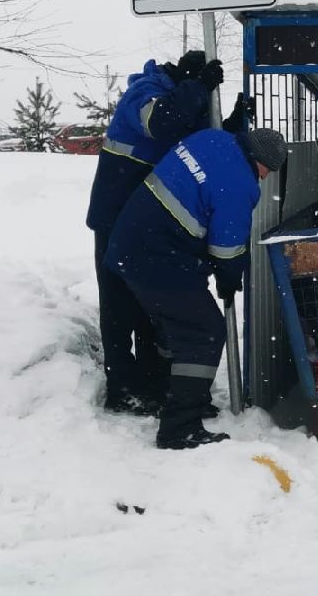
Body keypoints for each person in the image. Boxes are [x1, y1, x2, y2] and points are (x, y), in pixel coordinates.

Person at [104, 125, 288, 449]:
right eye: (267, 171)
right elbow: (227, 249)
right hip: (155, 255)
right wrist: (231, 280)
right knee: (204, 330)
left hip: (131, 241)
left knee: (174, 324)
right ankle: (180, 425)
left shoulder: (213, 139)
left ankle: (171, 392)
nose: (264, 178)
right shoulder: (239, 184)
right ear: (260, 161)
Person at [85, 50, 224, 414]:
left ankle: (152, 379)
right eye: (193, 84)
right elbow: (161, 122)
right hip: (114, 219)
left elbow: (203, 146)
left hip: (147, 228)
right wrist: (197, 87)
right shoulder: (145, 91)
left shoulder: (182, 98)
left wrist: (234, 120)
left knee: (151, 307)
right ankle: (122, 386)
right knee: (118, 310)